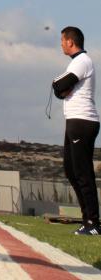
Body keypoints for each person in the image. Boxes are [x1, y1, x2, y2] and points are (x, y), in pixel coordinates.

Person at [52, 26, 100, 236]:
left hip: (83, 121)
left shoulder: (82, 61)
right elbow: (60, 90)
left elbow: (60, 84)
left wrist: (58, 85)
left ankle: (93, 222)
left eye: (62, 40)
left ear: (70, 41)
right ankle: (87, 219)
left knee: (82, 172)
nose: (61, 44)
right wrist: (59, 87)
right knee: (71, 171)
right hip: (74, 121)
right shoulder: (75, 63)